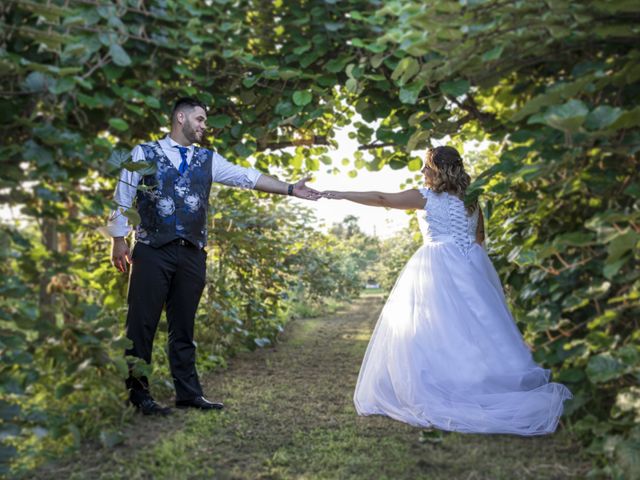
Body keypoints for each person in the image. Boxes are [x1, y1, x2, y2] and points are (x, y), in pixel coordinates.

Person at [322, 146, 572, 435]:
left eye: (426, 167)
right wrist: (469, 263)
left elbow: (381, 199)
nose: (422, 172)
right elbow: (479, 238)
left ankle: (448, 384)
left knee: (435, 328)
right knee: (480, 327)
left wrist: (337, 193)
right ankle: (491, 381)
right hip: (473, 265)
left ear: (438, 169)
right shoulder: (471, 200)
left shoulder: (425, 196)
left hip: (436, 264)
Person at [106, 97, 321, 415]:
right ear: (181, 118)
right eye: (200, 120)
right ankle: (139, 397)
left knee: (184, 327)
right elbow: (122, 196)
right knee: (140, 326)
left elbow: (247, 177)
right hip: (151, 250)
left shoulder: (208, 159)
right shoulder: (144, 153)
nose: (205, 127)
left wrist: (290, 189)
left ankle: (189, 394)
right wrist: (118, 240)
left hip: (192, 253)